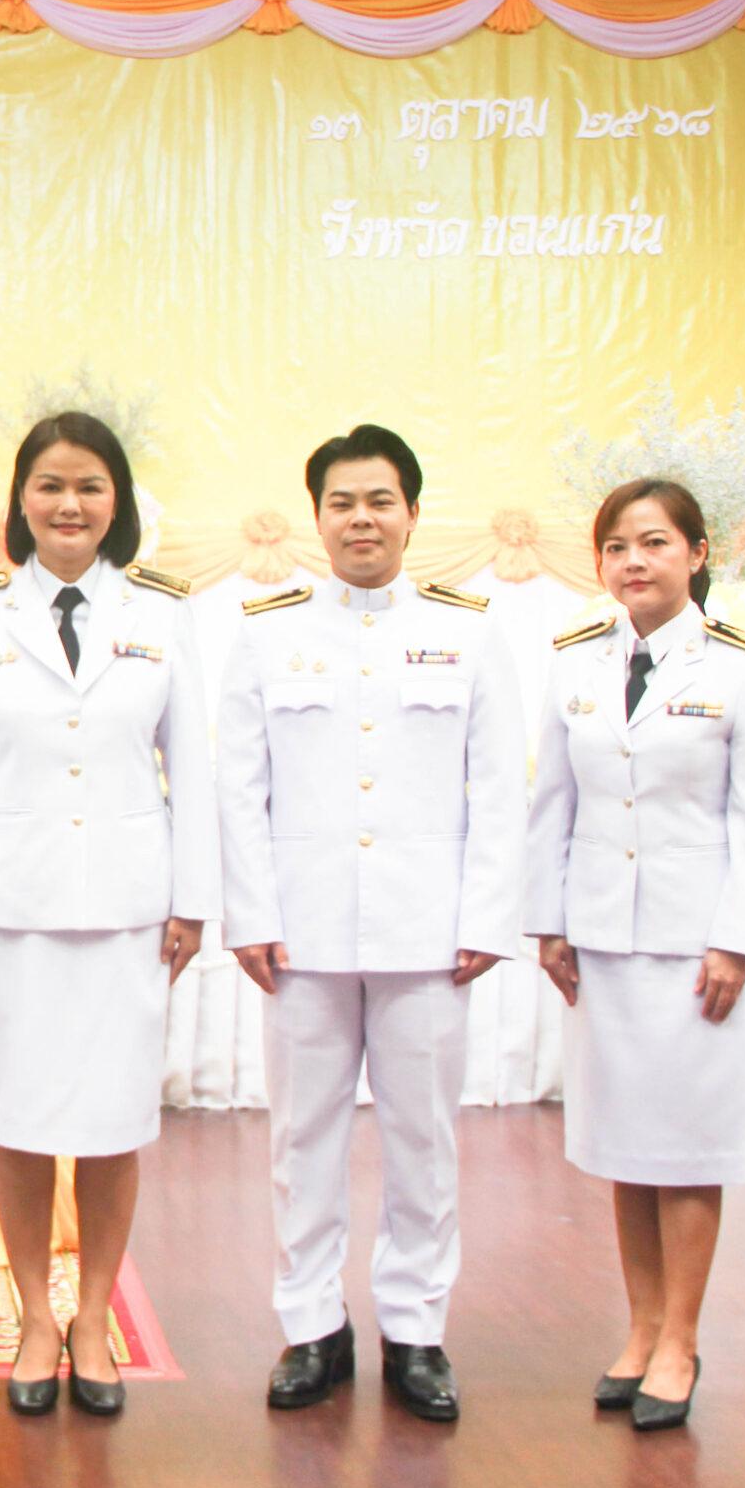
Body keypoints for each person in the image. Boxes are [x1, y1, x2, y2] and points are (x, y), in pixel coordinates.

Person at [213, 423, 524, 1423]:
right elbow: (238, 786)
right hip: (299, 936)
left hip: (428, 934)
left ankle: (416, 1330)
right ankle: (311, 1326)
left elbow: (496, 786)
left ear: (412, 514)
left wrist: (486, 914)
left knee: (423, 1138)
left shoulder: (469, 632)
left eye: (380, 501)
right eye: (341, 502)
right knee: (301, 1137)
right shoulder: (266, 633)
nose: (361, 519)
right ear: (316, 517)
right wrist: (250, 913)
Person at [0, 412, 218, 1417]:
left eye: (89, 485)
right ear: (21, 499)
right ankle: (35, 1318)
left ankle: (92, 1316)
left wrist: (194, 900)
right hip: (10, 909)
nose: (69, 504)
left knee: (111, 1119)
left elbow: (194, 767)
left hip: (129, 907)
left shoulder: (163, 612)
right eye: (49, 484)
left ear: (116, 500)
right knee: (17, 1117)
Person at [527, 477, 745, 1432]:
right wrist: (549, 922)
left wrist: (735, 942)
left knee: (688, 1147)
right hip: (602, 941)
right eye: (616, 547)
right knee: (625, 1145)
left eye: (654, 543)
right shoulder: (576, 664)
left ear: (697, 553)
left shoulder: (741, 668)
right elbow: (553, 805)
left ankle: (681, 1339)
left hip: (694, 950)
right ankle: (639, 1331)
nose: (633, 562)